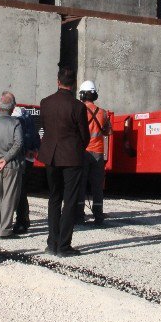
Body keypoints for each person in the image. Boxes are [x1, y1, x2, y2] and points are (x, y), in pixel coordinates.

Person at [38, 68, 90, 257]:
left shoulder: (45, 103)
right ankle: (64, 246)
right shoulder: (78, 106)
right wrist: (77, 148)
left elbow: (45, 128)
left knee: (54, 198)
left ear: (58, 81)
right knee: (69, 201)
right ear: (73, 83)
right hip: (71, 157)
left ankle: (52, 242)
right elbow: (85, 135)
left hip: (50, 156)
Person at [0, 92, 25, 238]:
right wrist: (7, 158)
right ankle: (5, 229)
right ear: (12, 107)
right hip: (10, 164)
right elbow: (19, 143)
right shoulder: (15, 123)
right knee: (9, 196)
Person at [77, 80, 111, 224]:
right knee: (97, 186)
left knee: (80, 184)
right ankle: (98, 216)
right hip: (98, 153)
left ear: (82, 95)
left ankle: (79, 215)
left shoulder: (78, 110)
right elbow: (108, 131)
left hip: (82, 152)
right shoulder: (102, 113)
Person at [12, 100, 41, 234]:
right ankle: (23, 220)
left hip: (17, 158)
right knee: (22, 191)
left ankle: (20, 221)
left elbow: (17, 140)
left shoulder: (13, 117)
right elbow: (34, 136)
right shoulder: (26, 116)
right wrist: (34, 149)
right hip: (27, 158)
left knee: (16, 191)